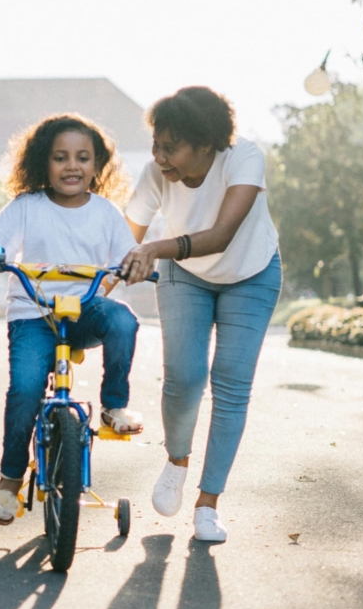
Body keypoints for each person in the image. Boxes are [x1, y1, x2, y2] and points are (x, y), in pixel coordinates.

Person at [0, 114, 142, 525]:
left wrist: (132, 268)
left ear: (97, 166)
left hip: (83, 311)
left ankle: (114, 406)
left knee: (124, 321)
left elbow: (127, 258)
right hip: (33, 315)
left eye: (83, 158)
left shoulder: (107, 213)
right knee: (25, 389)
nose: (72, 166)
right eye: (60, 158)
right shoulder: (27, 207)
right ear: (44, 162)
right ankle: (9, 482)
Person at [120, 86, 281, 543]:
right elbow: (123, 239)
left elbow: (223, 234)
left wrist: (153, 248)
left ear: (206, 144)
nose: (159, 156)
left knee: (231, 382)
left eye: (170, 147)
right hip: (184, 276)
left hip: (251, 273)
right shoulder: (156, 174)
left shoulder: (243, 158)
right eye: (156, 144)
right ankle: (176, 460)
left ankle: (208, 504)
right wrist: (98, 285)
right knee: (185, 376)